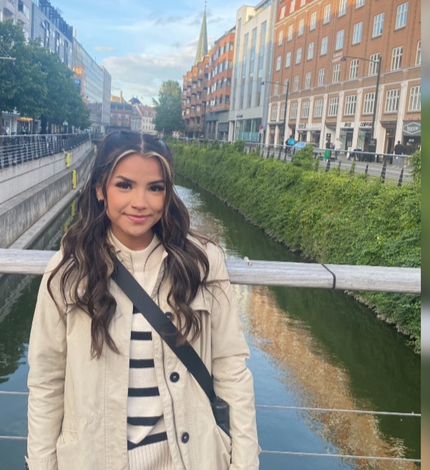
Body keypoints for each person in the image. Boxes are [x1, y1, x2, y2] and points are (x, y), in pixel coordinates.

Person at [26, 131, 259, 470]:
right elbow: (46, 381)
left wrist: (245, 463)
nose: (140, 202)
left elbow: (231, 369)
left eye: (155, 188)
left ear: (168, 194)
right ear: (100, 190)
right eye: (124, 185)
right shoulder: (68, 272)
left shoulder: (201, 263)